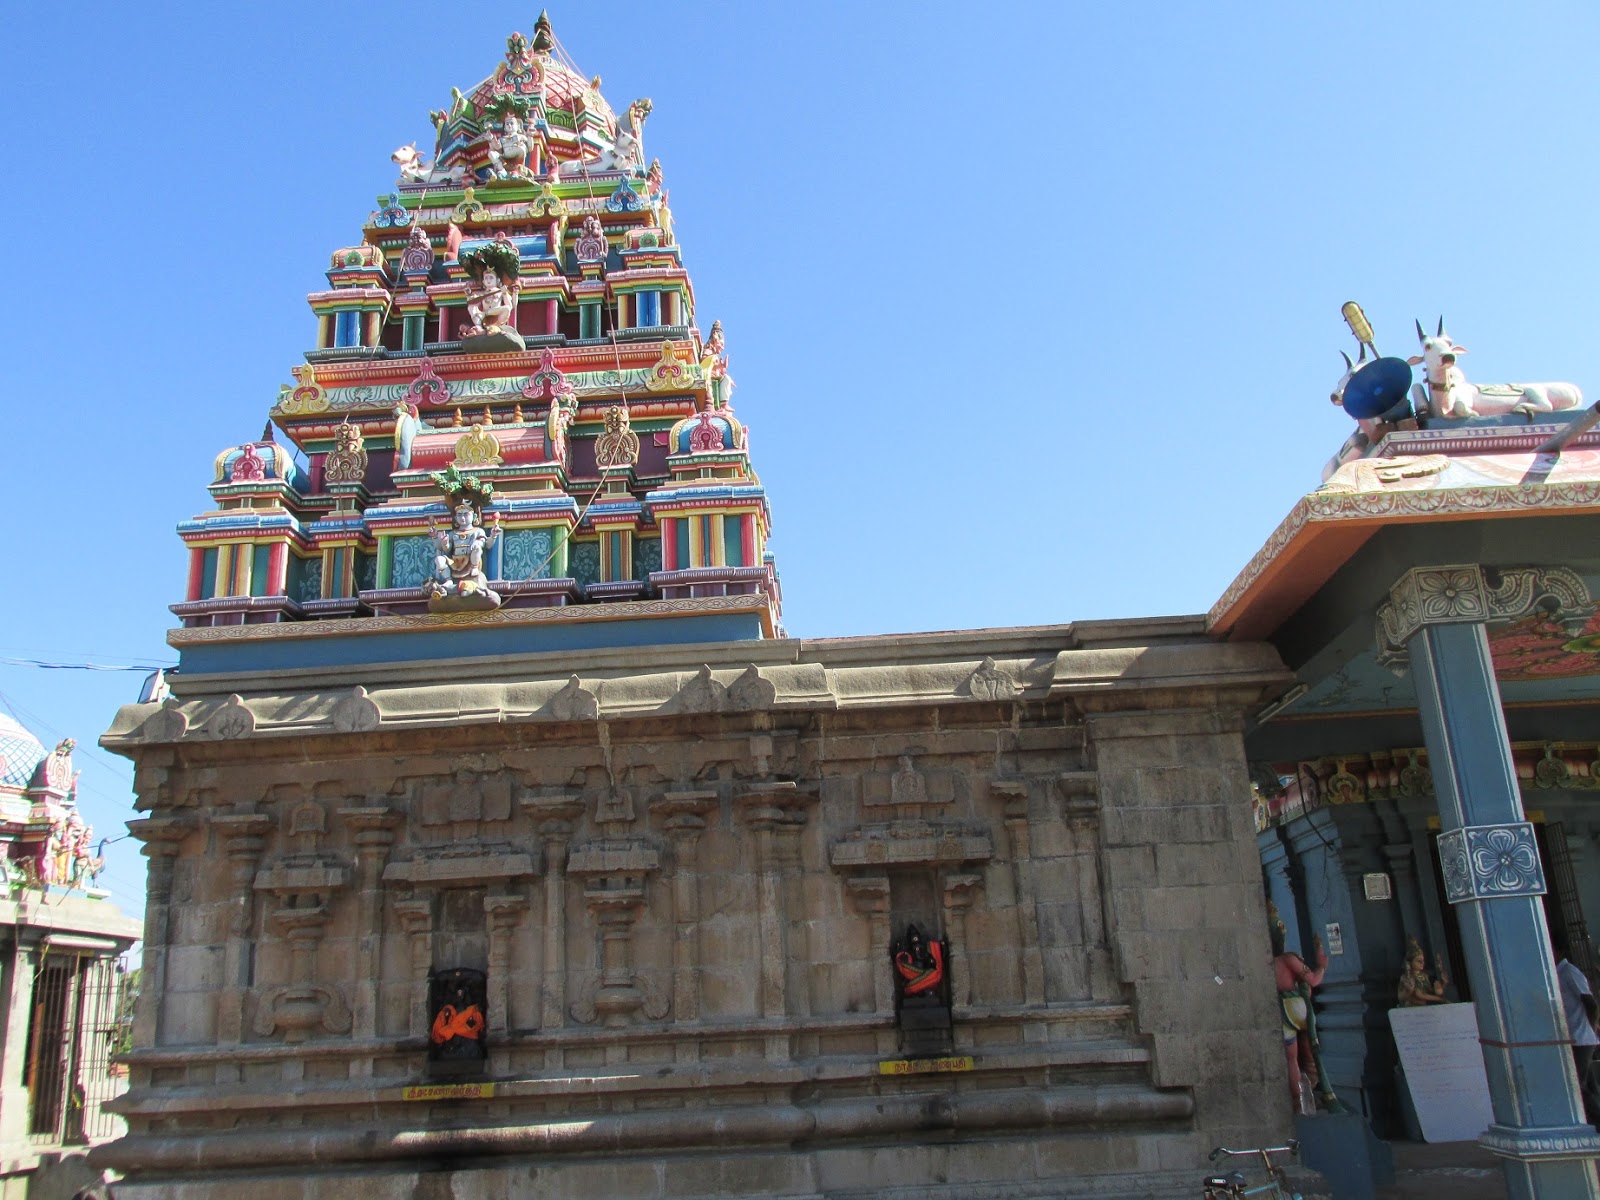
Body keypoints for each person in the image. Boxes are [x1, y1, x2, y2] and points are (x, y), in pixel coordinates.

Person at [1554, 932, 1600, 1125]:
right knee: (1589, 1085)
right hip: (1574, 1037)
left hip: (1581, 1038)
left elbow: (1590, 1003)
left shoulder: (1569, 972)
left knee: (1577, 1085)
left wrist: (1591, 1028)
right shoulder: (1557, 973)